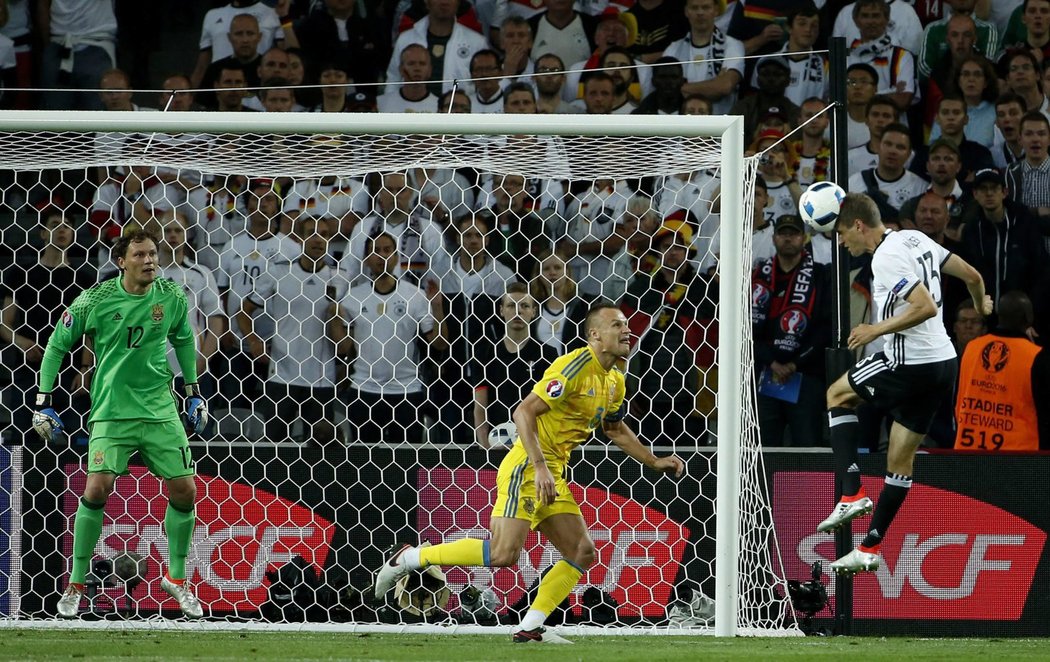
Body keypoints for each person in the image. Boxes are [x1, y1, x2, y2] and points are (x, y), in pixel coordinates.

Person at [372, 301, 684, 643]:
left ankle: (530, 625)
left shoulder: (615, 382)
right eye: (617, 325)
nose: (626, 330)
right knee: (504, 554)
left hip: (552, 472)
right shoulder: (574, 365)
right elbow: (524, 412)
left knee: (581, 551)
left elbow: (614, 429)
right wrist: (538, 466)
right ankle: (411, 557)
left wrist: (654, 461)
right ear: (595, 334)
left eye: (626, 324)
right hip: (528, 466)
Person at [33, 229, 207, 618]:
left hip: (160, 410)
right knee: (97, 487)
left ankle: (177, 580)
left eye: (153, 254)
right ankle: (76, 583)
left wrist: (193, 390)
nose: (150, 261)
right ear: (121, 262)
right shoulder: (95, 299)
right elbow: (57, 345)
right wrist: (43, 402)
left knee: (185, 491)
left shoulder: (172, 295)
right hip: (111, 411)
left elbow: (183, 338)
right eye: (141, 255)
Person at [818, 193, 992, 576]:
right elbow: (974, 277)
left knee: (837, 394)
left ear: (860, 226)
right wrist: (981, 305)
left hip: (908, 363)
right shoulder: (914, 238)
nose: (843, 241)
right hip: (944, 363)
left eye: (844, 233)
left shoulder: (885, 257)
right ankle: (869, 547)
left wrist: (872, 330)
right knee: (900, 458)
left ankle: (850, 493)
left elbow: (925, 305)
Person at [237, 216, 349, 445]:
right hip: (282, 374)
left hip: (321, 379)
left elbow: (347, 329)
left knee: (319, 451)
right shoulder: (279, 272)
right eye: (312, 233)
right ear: (300, 238)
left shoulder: (340, 279)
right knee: (274, 447)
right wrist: (254, 341)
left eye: (325, 235)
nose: (318, 240)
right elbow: (244, 310)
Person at [331, 231, 446, 444]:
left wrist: (438, 308)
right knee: (364, 465)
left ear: (396, 257)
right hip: (364, 390)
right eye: (375, 251)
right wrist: (334, 317)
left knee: (406, 465)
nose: (381, 255)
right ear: (366, 260)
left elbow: (439, 343)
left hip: (406, 391)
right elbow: (343, 348)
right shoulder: (353, 297)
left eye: (387, 250)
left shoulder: (415, 296)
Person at [752, 214, 831, 447]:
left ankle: (808, 486)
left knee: (807, 446)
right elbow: (745, 328)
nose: (788, 239)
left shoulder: (820, 275)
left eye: (794, 233)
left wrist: (795, 364)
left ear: (804, 237)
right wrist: (771, 361)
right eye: (783, 233)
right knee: (765, 446)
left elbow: (827, 328)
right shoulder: (758, 275)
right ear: (774, 238)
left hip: (806, 375)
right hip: (765, 373)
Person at [955, 290, 1050, 450]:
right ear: (1029, 319)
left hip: (968, 451)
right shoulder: (1036, 356)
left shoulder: (972, 348)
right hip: (1018, 456)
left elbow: (959, 401)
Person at [470, 282, 560, 447]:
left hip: (537, 442)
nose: (518, 311)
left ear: (533, 312)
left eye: (524, 306)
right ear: (501, 310)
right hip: (496, 442)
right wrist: (486, 448)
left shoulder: (548, 354)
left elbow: (553, 406)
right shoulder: (485, 353)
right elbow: (480, 407)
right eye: (511, 305)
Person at [663, 0, 745, 115]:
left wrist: (679, 87)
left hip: (720, 126)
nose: (700, 13)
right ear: (686, 11)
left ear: (716, 10)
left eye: (706, 7)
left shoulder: (733, 45)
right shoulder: (673, 49)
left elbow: (724, 87)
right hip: (683, 127)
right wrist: (713, 85)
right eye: (694, 8)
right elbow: (663, 90)